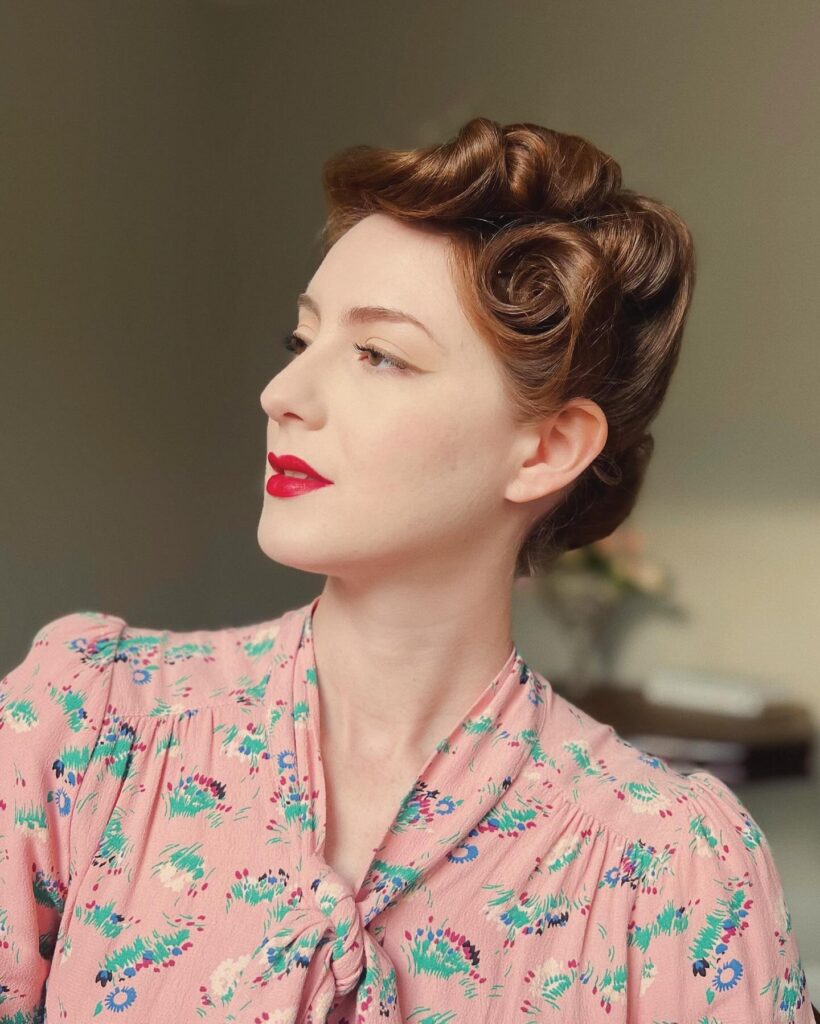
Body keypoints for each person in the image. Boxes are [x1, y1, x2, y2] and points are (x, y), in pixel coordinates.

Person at [0, 118, 813, 1023]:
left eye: (379, 355)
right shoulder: (84, 726)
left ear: (546, 447)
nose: (283, 397)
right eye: (299, 342)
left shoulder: (675, 870)